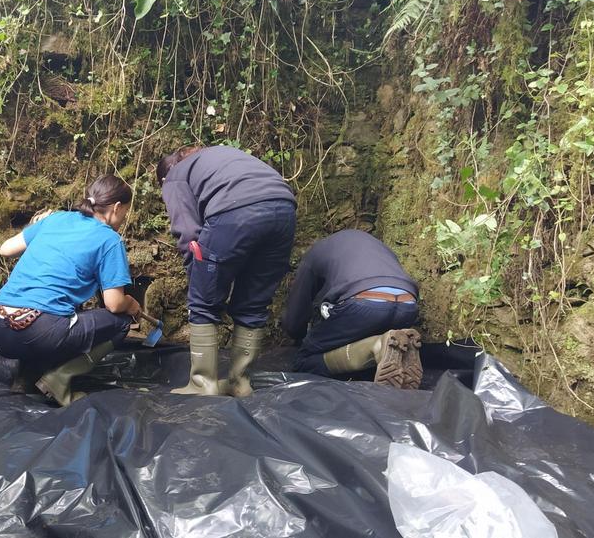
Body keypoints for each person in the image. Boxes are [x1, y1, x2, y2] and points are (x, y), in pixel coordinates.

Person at [0, 175, 142, 407]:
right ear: (117, 208)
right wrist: (132, 304)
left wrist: (37, 226)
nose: (124, 217)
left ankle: (25, 379)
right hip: (37, 331)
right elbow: (114, 304)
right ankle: (58, 380)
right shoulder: (109, 240)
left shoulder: (56, 219)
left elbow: (6, 249)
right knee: (121, 320)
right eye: (126, 211)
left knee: (61, 315)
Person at [157, 145, 297, 397]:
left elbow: (189, 234)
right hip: (284, 209)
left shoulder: (175, 175)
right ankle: (240, 382)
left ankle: (203, 385)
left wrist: (200, 282)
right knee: (254, 304)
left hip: (235, 210)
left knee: (202, 303)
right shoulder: (222, 157)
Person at [280, 230, 423, 389]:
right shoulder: (376, 246)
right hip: (408, 303)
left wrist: (299, 336)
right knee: (362, 329)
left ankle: (377, 347)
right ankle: (397, 351)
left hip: (363, 303)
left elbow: (295, 316)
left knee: (304, 360)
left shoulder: (315, 253)